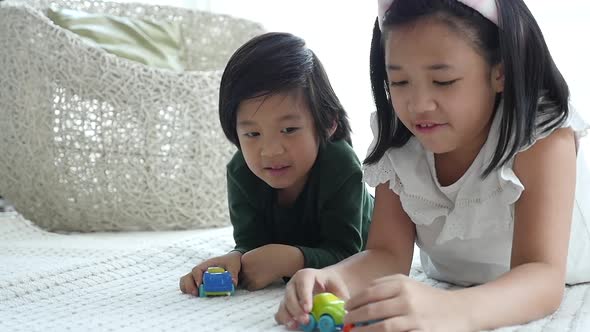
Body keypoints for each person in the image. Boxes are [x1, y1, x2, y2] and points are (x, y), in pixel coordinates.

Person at [275, 0, 590, 331]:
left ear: (500, 72)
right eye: (399, 82)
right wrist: (331, 278)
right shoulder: (398, 138)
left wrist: (451, 309)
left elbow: (542, 274)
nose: (419, 105)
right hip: (457, 281)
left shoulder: (538, 130)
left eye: (443, 81)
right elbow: (386, 253)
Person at [179, 32, 374, 295]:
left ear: (327, 123)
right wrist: (236, 259)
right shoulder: (240, 172)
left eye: (289, 129)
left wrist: (291, 260)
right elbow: (251, 244)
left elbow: (348, 254)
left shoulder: (342, 167)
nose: (270, 151)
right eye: (252, 134)